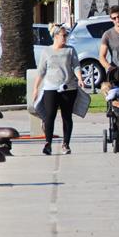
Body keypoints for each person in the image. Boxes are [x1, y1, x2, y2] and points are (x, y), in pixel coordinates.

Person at [32, 24, 85, 155]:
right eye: (63, 35)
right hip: (50, 88)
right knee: (49, 116)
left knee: (67, 117)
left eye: (66, 35)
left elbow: (76, 66)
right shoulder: (46, 51)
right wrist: (36, 88)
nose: (65, 37)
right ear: (55, 36)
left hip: (68, 88)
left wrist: (80, 78)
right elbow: (41, 71)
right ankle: (48, 143)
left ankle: (66, 144)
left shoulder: (70, 50)